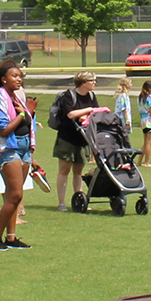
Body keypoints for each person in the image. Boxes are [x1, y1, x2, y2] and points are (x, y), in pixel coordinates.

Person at [0, 64, 35, 251]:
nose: (19, 79)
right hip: (7, 149)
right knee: (15, 194)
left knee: (13, 195)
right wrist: (22, 114)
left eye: (20, 76)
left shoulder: (16, 97)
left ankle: (11, 238)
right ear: (3, 79)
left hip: (23, 148)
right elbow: (4, 129)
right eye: (14, 76)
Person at [50, 72, 103, 212]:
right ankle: (61, 203)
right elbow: (71, 114)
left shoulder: (91, 96)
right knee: (64, 170)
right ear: (84, 83)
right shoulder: (69, 95)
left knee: (78, 171)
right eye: (92, 81)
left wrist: (87, 113)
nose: (94, 83)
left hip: (83, 138)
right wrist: (88, 110)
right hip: (67, 138)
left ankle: (79, 201)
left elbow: (96, 113)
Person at [136, 80, 151, 167]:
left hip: (143, 121)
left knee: (145, 143)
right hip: (149, 121)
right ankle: (147, 162)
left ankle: (139, 161)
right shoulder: (149, 98)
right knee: (149, 143)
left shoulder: (140, 98)